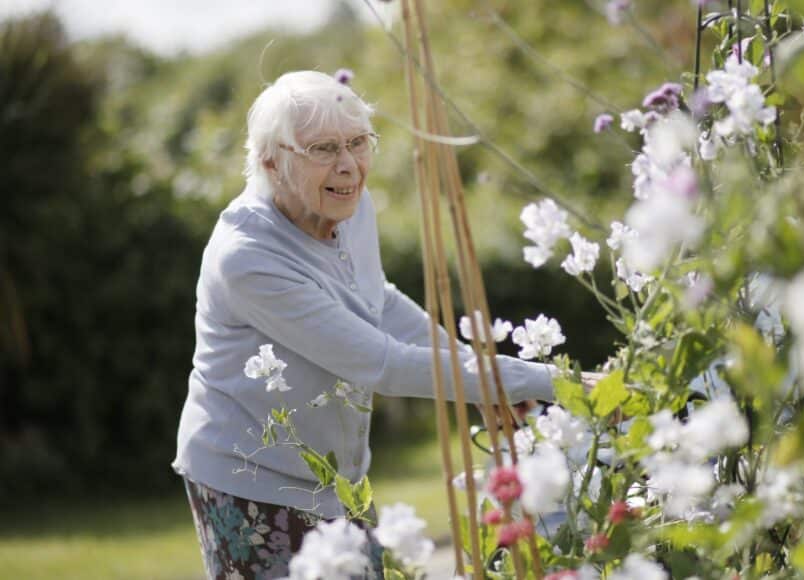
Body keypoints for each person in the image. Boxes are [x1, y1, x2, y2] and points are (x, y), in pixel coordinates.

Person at [171, 70, 563, 579]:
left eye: (359, 143)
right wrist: (554, 383)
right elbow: (382, 363)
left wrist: (481, 378)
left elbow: (379, 303)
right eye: (323, 149)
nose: (349, 165)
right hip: (252, 478)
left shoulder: (348, 205)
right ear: (272, 161)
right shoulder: (247, 257)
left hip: (338, 475)